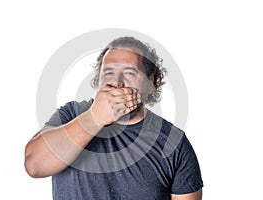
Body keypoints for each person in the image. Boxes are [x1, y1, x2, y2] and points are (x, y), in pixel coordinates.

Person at [24, 36, 203, 200]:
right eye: (108, 72)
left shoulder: (173, 142)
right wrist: (94, 118)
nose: (117, 81)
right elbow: (35, 165)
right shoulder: (72, 114)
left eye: (130, 73)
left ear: (151, 83)